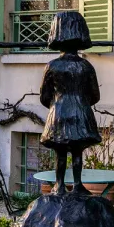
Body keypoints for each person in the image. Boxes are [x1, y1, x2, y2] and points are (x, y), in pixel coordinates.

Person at [38, 10, 103, 193]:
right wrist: (80, 103)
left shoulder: (52, 66)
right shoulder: (86, 66)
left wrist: (56, 105)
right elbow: (95, 95)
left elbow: (44, 96)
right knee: (77, 152)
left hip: (58, 113)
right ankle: (77, 185)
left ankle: (58, 185)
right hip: (81, 112)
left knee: (60, 152)